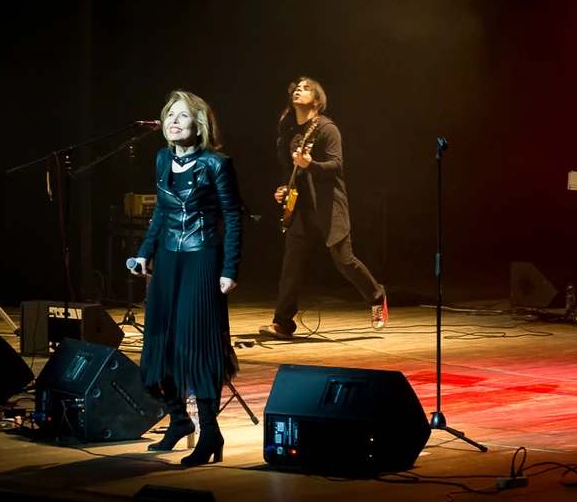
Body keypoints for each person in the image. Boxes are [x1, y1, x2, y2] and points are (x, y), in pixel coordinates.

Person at [128, 89, 243, 466]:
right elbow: (161, 213)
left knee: (198, 349)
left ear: (200, 124)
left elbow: (233, 217)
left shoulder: (216, 164)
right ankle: (179, 420)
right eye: (169, 115)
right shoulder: (162, 159)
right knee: (159, 347)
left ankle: (209, 432)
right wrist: (144, 252)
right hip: (167, 261)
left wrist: (229, 268)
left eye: (182, 115)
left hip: (202, 259)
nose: (173, 121)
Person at [260, 76, 386, 339]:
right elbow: (289, 172)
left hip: (328, 207)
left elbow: (336, 166)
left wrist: (311, 165)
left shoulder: (327, 129)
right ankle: (283, 322)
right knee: (291, 266)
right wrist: (283, 190)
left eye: (306, 89)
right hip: (299, 208)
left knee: (345, 261)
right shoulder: (288, 135)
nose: (298, 90)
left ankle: (377, 295)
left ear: (316, 101)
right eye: (297, 88)